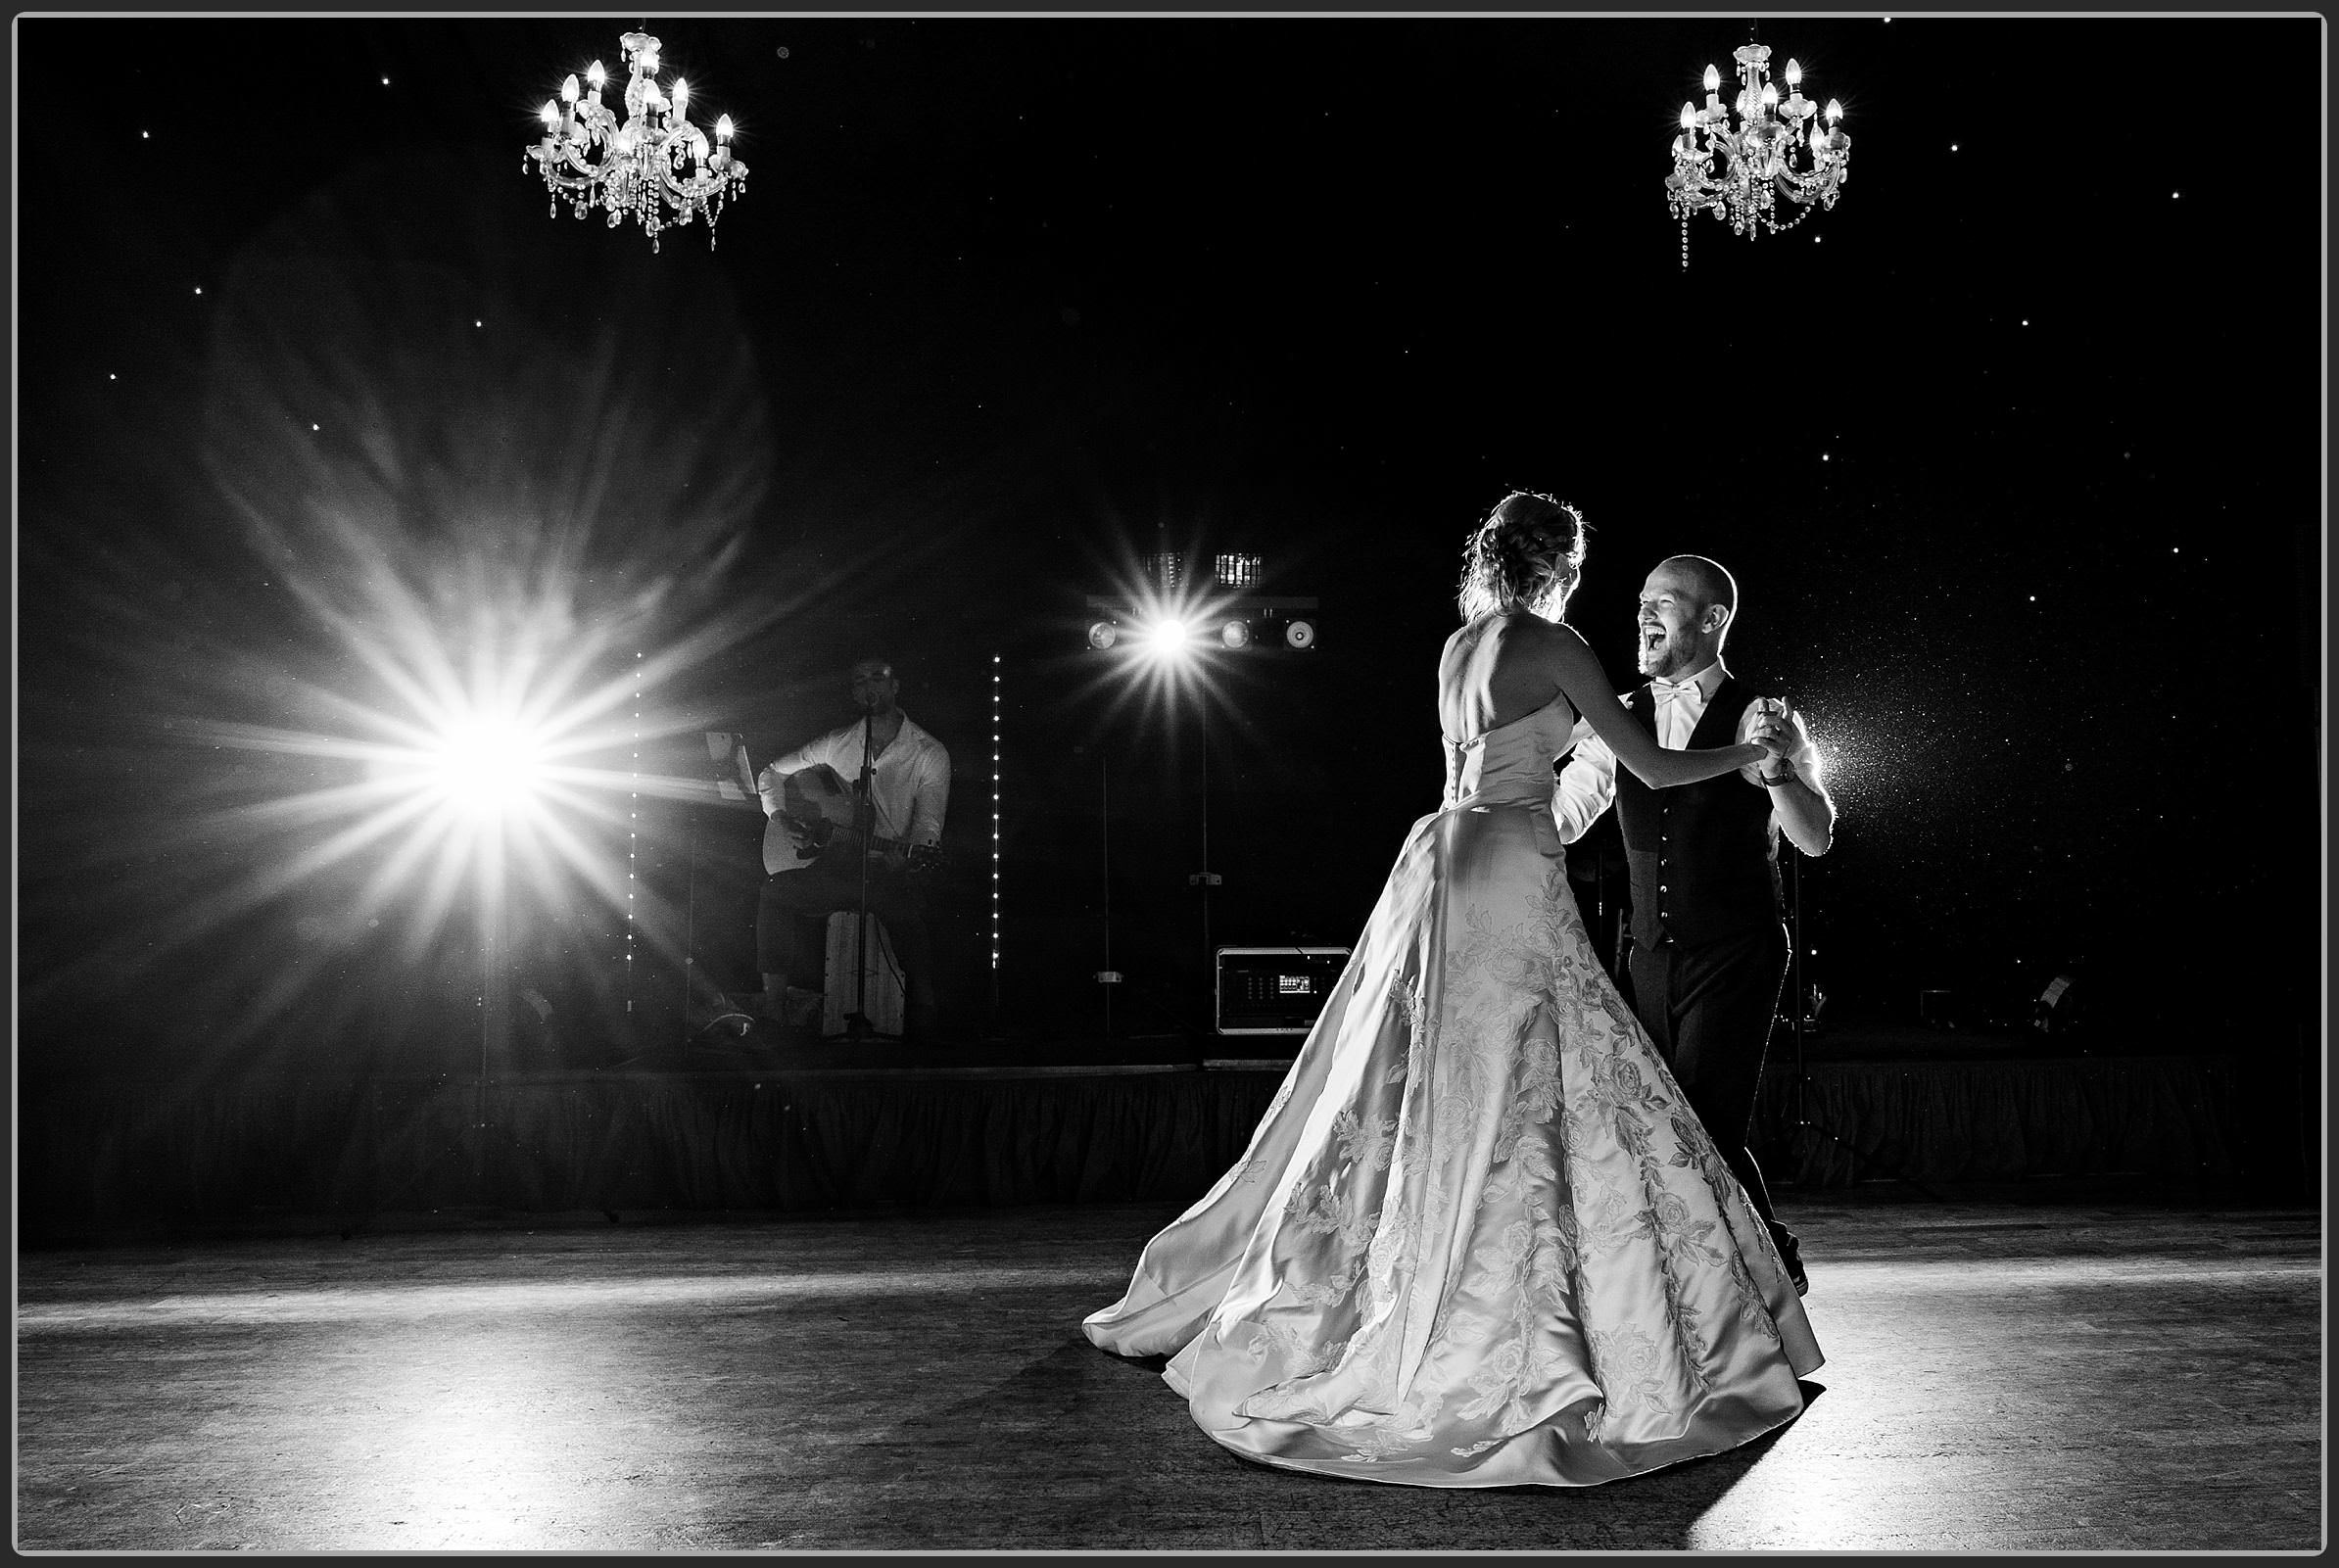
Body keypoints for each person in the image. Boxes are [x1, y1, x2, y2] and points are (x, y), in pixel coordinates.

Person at [1082, 493, 1821, 1489]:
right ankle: (1522, 1295)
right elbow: (1628, 769)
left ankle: (1441, 1259)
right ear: (1560, 566)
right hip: (1511, 856)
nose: (1630, 609)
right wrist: (1747, 756)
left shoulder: (1461, 642)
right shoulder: (1556, 644)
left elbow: (1517, 778)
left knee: (1443, 1069)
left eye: (1661, 601)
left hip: (1444, 853)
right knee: (1536, 1071)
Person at [1551, 555, 1835, 1296]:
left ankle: (1739, 1281)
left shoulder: (1763, 715)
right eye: (1642, 599)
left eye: (1666, 602)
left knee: (1702, 1119)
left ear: (1711, 619)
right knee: (1670, 1122)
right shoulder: (1614, 714)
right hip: (1648, 954)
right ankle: (1766, 1256)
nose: (1645, 614)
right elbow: (1564, 816)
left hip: (1736, 948)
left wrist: (1776, 769)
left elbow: (1815, 836)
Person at [752, 657, 950, 1040]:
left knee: (908, 910)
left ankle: (925, 1014)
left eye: (878, 676)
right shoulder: (837, 743)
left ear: (895, 687)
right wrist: (778, 817)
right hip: (837, 865)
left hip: (886, 868)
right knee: (775, 894)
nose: (868, 685)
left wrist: (911, 858)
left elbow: (928, 825)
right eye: (860, 679)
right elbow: (771, 772)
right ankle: (773, 1013)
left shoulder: (928, 752)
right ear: (855, 693)